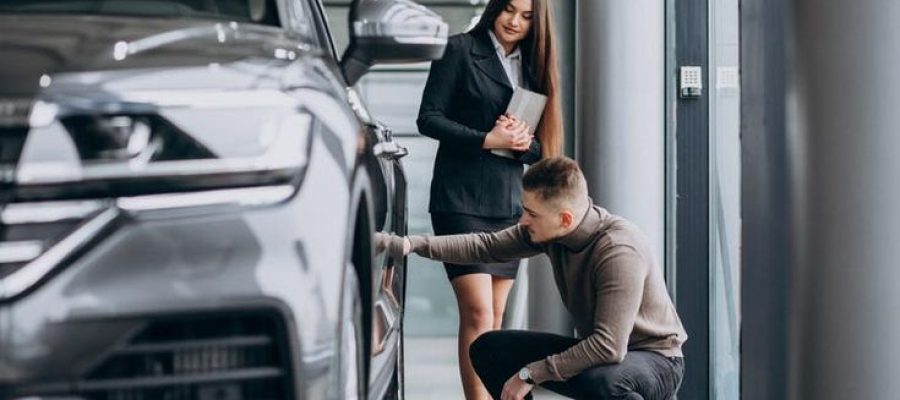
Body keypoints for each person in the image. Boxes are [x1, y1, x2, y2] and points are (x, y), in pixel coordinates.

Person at [386, 157, 687, 400]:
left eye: (531, 213)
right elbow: (485, 246)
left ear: (564, 219)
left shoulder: (618, 250)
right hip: (607, 354)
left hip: (655, 360)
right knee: (488, 348)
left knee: (605, 384)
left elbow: (608, 347)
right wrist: (413, 244)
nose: (522, 220)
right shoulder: (550, 232)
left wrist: (529, 374)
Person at [415, 0, 563, 398]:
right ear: (495, 8)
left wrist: (519, 143)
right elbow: (428, 118)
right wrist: (487, 138)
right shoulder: (460, 49)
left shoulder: (534, 65)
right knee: (478, 313)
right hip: (460, 198)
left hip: (507, 202)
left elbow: (539, 149)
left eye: (527, 16)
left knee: (495, 317)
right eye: (508, 10)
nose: (514, 21)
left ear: (538, 22)